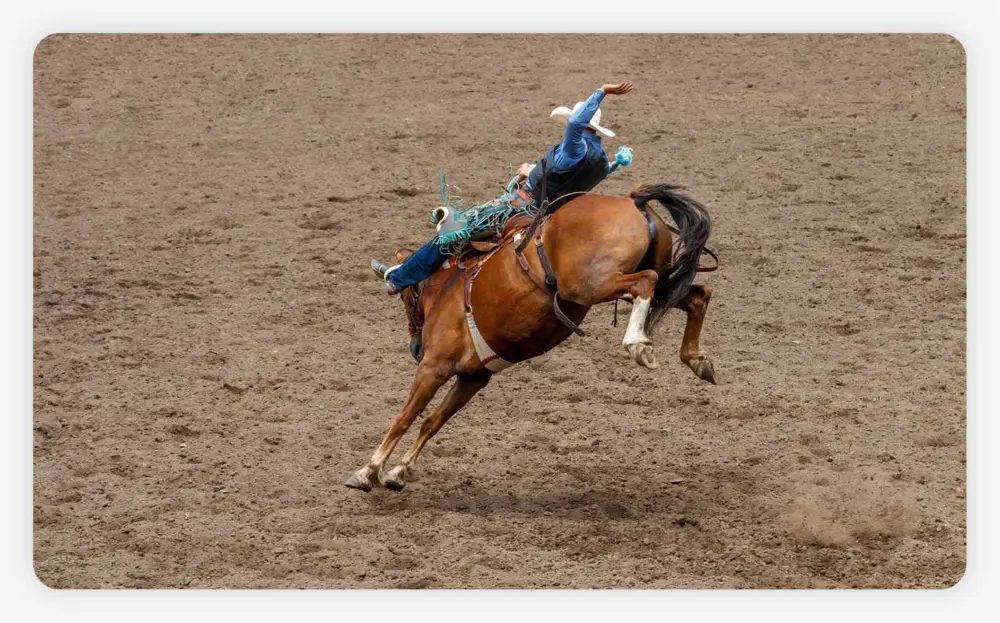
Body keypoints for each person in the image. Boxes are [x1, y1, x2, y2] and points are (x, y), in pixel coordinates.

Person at [371, 81, 635, 294]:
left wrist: (601, 91)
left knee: (453, 230)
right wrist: (533, 170)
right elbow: (566, 179)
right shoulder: (599, 161)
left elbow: (575, 130)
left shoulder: (575, 146)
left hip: (520, 206)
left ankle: (401, 278)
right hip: (546, 215)